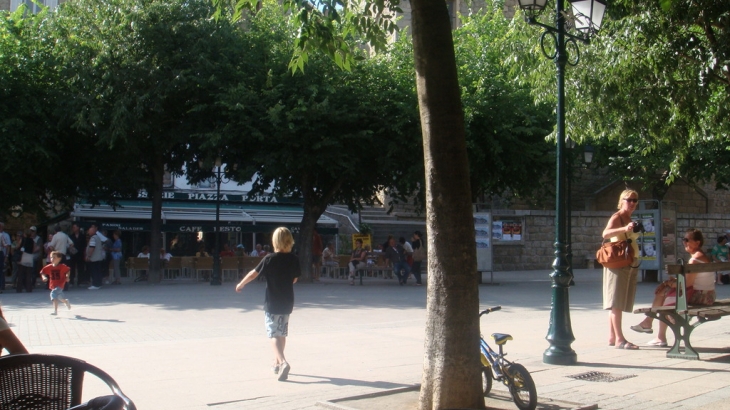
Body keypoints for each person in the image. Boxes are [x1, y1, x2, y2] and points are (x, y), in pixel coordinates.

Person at [235, 227, 300, 381]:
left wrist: (241, 284)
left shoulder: (269, 259)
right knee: (282, 332)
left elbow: (253, 274)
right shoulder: (294, 259)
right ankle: (277, 363)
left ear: (275, 241)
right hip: (287, 300)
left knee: (273, 333)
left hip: (272, 300)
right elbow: (295, 279)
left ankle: (283, 362)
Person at [632, 229, 717, 347]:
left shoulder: (694, 260)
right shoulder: (701, 256)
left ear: (697, 243)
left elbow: (686, 284)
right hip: (707, 295)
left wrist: (668, 284)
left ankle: (654, 329)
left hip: (701, 296)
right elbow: (689, 281)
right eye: (683, 240)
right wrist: (669, 283)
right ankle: (653, 329)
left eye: (687, 240)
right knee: (663, 292)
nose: (684, 242)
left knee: (663, 294)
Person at [602, 189, 641, 350]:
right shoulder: (617, 217)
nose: (632, 203)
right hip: (618, 263)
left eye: (635, 200)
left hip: (628, 262)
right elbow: (605, 233)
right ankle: (620, 339)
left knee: (618, 302)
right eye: (628, 200)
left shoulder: (628, 218)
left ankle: (612, 336)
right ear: (621, 201)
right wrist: (625, 229)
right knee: (616, 302)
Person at [40, 251, 72, 315]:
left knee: (53, 294)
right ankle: (66, 301)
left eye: (54, 257)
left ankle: (55, 311)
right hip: (53, 284)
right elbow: (42, 272)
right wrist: (44, 277)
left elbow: (68, 271)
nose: (52, 259)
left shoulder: (62, 266)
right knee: (60, 298)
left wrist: (67, 277)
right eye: (51, 257)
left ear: (59, 259)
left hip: (60, 284)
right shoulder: (49, 267)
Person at [85, 225, 107, 290]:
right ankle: (99, 283)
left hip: (94, 258)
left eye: (89, 231)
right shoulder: (98, 237)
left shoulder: (93, 238)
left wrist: (89, 255)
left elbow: (92, 247)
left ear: (92, 231)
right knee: (98, 271)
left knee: (94, 271)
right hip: (98, 258)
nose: (88, 232)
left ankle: (95, 284)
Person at [0, 222, 10, 293]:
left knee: (1, 270)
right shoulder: (1, 235)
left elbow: (7, 246)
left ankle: (1, 286)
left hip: (1, 253)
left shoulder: (3, 235)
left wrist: (6, 255)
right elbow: (5, 245)